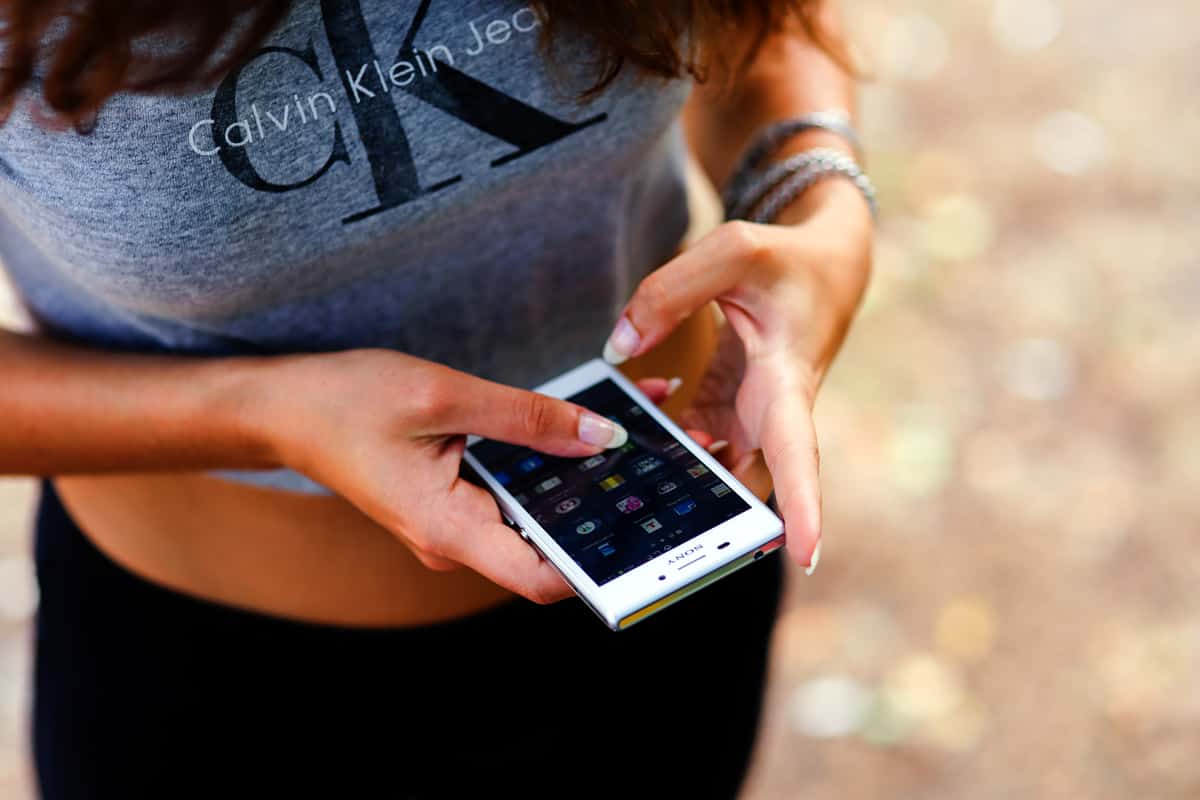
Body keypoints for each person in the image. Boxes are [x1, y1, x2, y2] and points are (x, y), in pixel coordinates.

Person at [0, 1, 874, 797]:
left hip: (669, 588)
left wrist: (819, 212)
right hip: (212, 690)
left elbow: (755, 30)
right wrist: (260, 414)